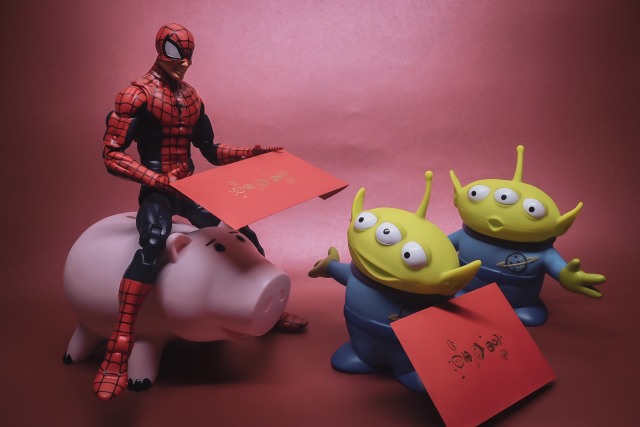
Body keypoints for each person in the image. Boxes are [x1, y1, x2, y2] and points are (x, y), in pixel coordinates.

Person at [95, 23, 307, 400]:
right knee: (153, 241)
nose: (184, 62)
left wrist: (252, 153)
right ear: (160, 49)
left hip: (189, 189)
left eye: (188, 55)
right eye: (175, 54)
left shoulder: (191, 98)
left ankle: (270, 311)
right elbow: (111, 154)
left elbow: (211, 150)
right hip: (159, 191)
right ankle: (118, 348)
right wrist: (157, 179)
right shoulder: (135, 94)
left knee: (241, 229)